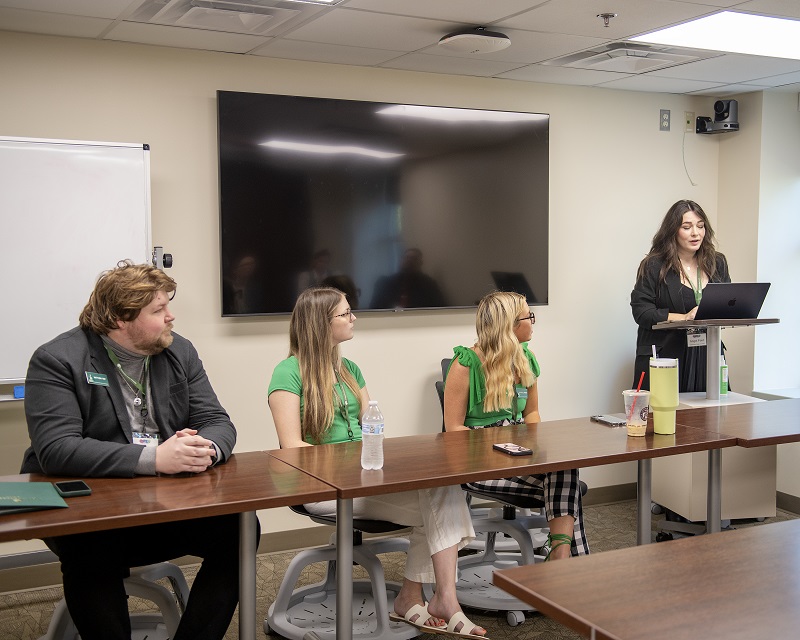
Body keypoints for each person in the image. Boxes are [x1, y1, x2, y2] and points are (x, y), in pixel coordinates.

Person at [21, 260, 257, 640]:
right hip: (88, 512)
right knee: (90, 546)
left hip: (162, 506)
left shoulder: (179, 351)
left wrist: (207, 449)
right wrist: (155, 458)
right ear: (119, 319)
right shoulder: (58, 359)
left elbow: (217, 419)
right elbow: (56, 449)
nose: (171, 317)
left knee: (240, 528)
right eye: (158, 310)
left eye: (168, 306)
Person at [268, 287, 486, 639]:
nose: (353, 318)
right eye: (345, 313)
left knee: (444, 491)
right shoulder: (288, 373)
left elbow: (372, 426)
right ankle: (429, 599)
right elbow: (292, 448)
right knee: (439, 506)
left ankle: (434, 598)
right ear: (322, 323)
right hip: (321, 486)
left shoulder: (350, 368)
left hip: (367, 478)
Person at [443, 291, 589, 560]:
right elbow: (453, 430)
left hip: (519, 455)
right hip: (478, 461)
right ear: (509, 325)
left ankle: (561, 553)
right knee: (568, 492)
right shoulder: (465, 364)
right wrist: (498, 447)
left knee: (565, 466)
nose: (533, 322)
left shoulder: (525, 360)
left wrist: (539, 448)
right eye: (528, 317)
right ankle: (564, 558)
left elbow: (532, 414)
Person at [631, 200, 731, 391]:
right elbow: (642, 312)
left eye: (700, 226)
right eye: (687, 227)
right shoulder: (654, 265)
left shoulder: (717, 262)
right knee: (668, 417)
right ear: (673, 231)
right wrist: (684, 318)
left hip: (707, 355)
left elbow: (727, 304)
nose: (696, 233)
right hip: (667, 355)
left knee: (712, 417)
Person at [371, 248, 446, 309]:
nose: (409, 261)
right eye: (407, 257)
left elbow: (440, 308)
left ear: (420, 263)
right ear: (401, 260)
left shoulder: (429, 285)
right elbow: (374, 309)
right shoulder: (385, 283)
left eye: (414, 258)